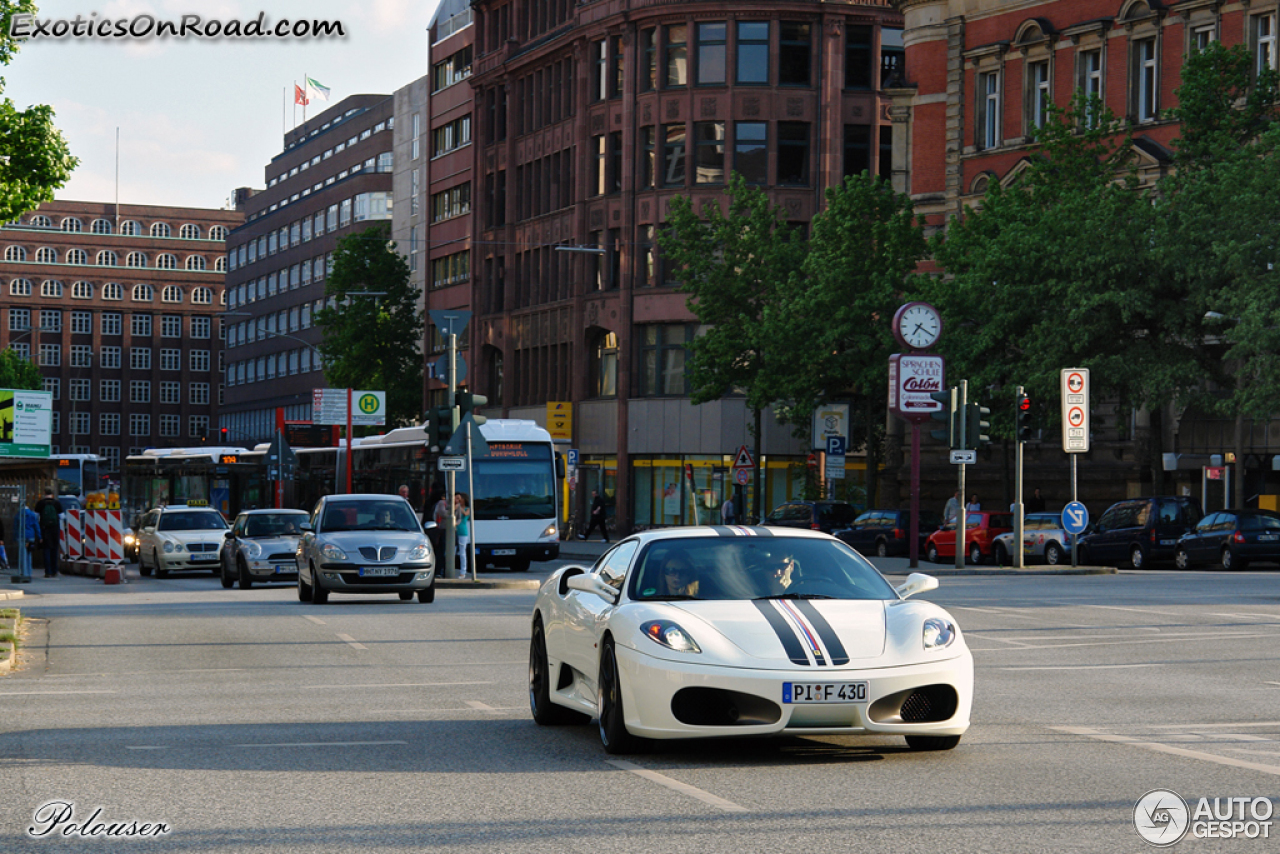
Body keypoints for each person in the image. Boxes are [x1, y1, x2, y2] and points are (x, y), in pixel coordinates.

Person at [33, 491, 64, 578]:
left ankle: (48, 572)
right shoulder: (57, 503)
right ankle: (55, 570)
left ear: (44, 494)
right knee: (54, 550)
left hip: (44, 529)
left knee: (46, 550)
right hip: (55, 529)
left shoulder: (40, 503)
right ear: (52, 494)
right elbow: (62, 517)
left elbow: (35, 517)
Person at [454, 492, 471, 579]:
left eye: (460, 499)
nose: (459, 501)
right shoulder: (456, 507)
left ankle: (463, 572)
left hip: (463, 531)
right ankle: (450, 570)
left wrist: (459, 507)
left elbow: (465, 514)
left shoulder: (468, 508)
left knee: (462, 553)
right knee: (452, 551)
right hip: (454, 531)